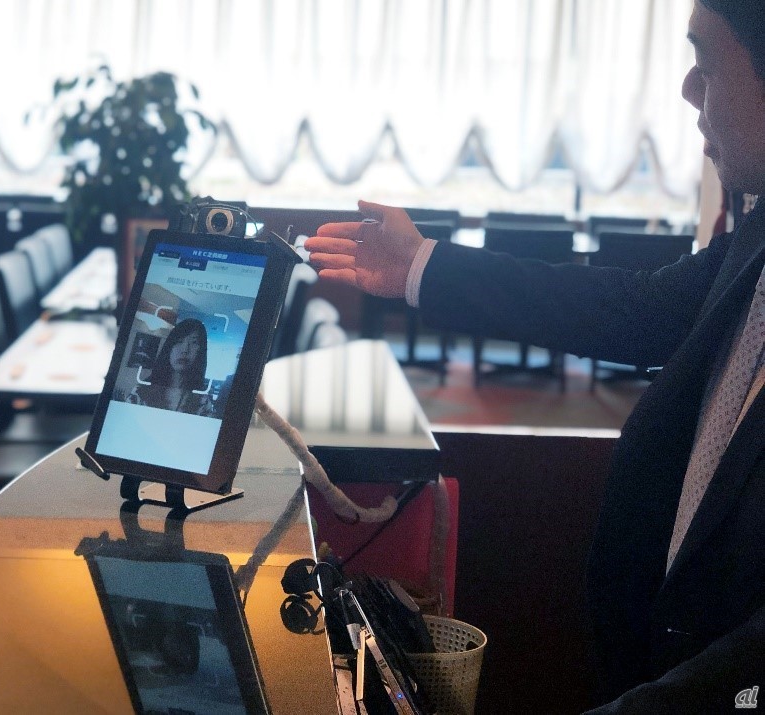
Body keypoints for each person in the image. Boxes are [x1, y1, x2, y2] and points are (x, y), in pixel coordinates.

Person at [306, 2, 765, 710]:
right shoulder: (757, 234)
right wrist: (419, 265)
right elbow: (638, 310)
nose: (687, 88)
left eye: (705, 61)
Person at [125, 318, 216, 416]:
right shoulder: (141, 392)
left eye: (194, 342)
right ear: (169, 347)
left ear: (201, 351)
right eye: (179, 341)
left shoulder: (203, 401)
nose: (185, 350)